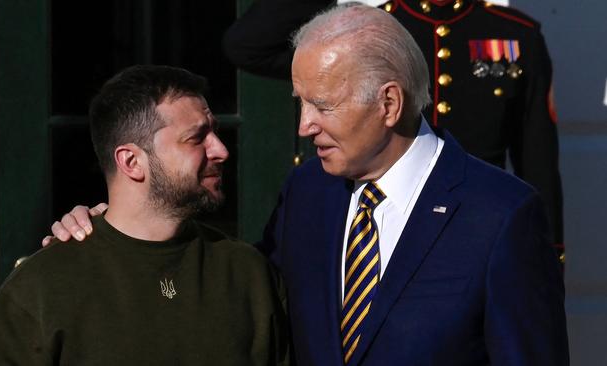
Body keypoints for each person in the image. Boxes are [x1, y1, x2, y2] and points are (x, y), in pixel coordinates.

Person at [49, 5, 568, 365]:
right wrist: (112, 236)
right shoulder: (309, 191)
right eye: (301, 103)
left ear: (388, 104)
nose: (304, 125)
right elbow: (237, 297)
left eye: (323, 105)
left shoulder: (500, 215)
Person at [0, 65, 289, 366]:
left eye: (216, 133)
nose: (220, 150)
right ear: (131, 162)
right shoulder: (40, 289)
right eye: (197, 138)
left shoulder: (249, 274)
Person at [223, 0, 565, 263]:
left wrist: (547, 258)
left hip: (476, 230)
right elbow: (247, 45)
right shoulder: (373, 33)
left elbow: (538, 165)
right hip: (380, 222)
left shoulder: (515, 36)